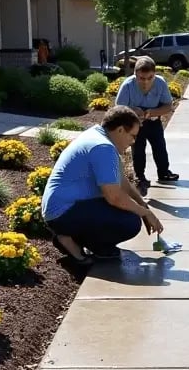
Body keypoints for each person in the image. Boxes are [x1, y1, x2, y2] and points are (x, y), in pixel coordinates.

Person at [41, 105, 165, 265]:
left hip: (63, 209)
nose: (133, 142)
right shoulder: (103, 147)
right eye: (132, 136)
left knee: (131, 212)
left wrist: (145, 209)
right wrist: (143, 213)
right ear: (120, 130)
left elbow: (122, 183)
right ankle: (70, 239)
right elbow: (114, 197)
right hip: (63, 213)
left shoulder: (98, 137)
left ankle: (85, 241)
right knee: (130, 222)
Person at [115, 56, 179, 196]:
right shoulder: (127, 86)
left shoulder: (160, 83)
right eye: (141, 78)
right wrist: (133, 111)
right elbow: (118, 108)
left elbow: (168, 106)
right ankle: (140, 177)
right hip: (134, 123)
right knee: (138, 150)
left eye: (150, 78)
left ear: (154, 74)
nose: (145, 82)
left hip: (154, 120)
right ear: (135, 75)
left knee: (160, 147)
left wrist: (153, 112)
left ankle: (163, 173)